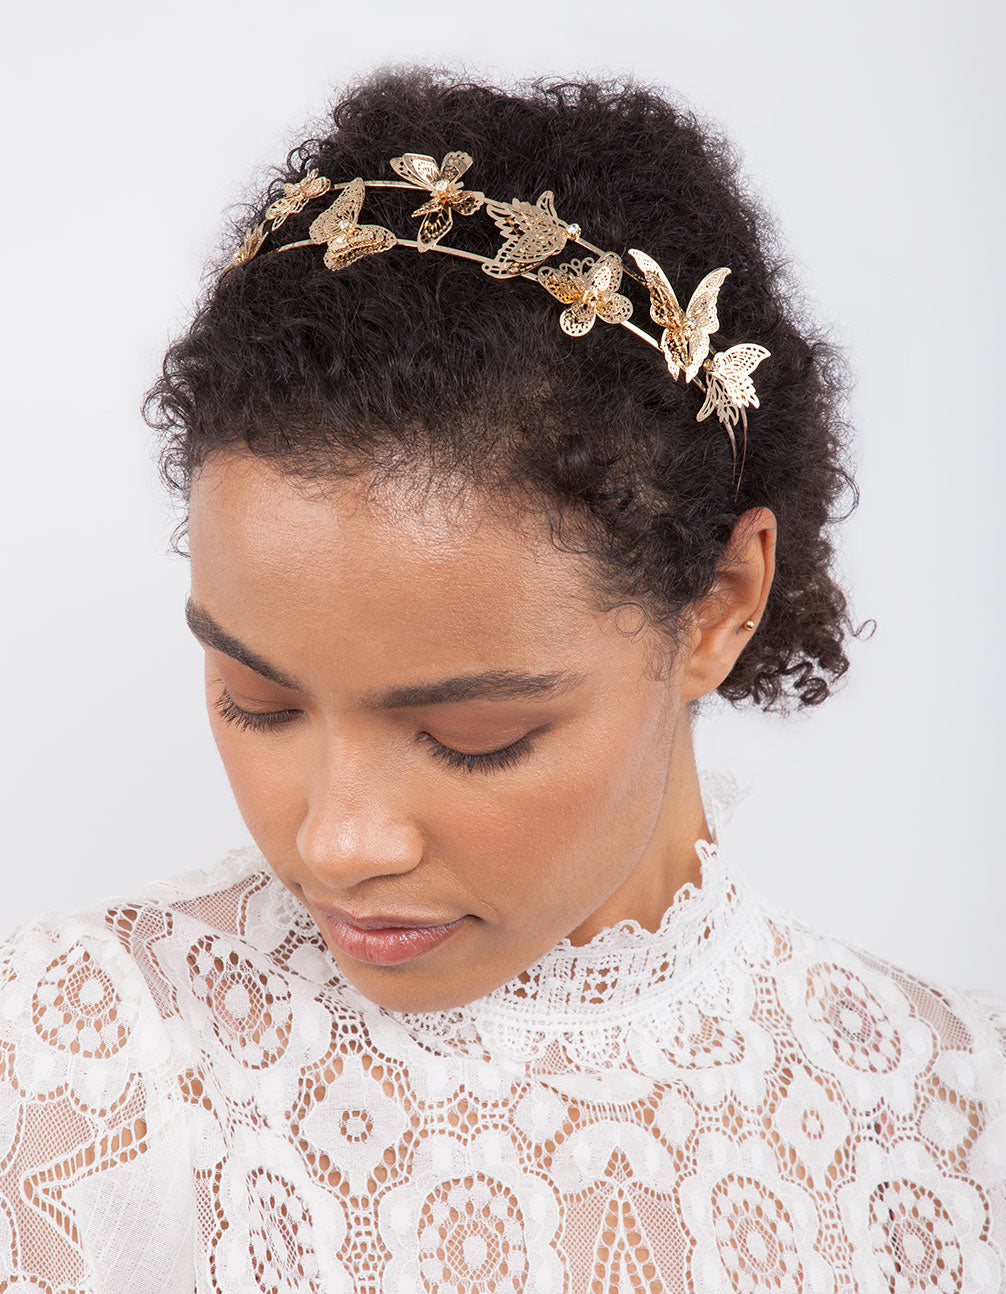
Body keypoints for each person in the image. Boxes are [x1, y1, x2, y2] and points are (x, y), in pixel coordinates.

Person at [1, 65, 1003, 1293]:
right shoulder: (82, 1072)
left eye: (471, 733)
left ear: (719, 603)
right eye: (257, 701)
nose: (337, 843)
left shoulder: (957, 1121)